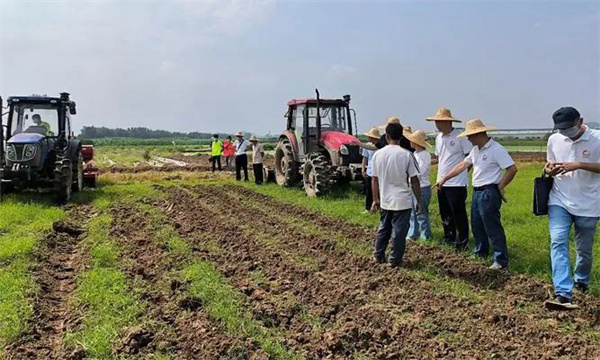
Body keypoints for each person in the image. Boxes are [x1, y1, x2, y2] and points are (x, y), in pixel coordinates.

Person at [435, 119, 518, 270]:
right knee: (477, 225)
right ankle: (480, 252)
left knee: (492, 226)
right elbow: (462, 165)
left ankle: (500, 260)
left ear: (479, 134)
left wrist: (501, 185)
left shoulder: (496, 149)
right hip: (477, 191)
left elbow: (512, 169)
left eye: (470, 136)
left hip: (489, 192)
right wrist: (445, 178)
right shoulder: (475, 150)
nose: (468, 139)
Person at [543, 107, 600, 310]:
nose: (564, 133)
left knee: (584, 249)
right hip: (559, 199)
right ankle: (563, 293)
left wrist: (580, 164)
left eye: (568, 128)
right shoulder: (554, 139)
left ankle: (581, 281)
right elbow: (548, 164)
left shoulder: (597, 139)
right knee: (558, 241)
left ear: (580, 121)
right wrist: (548, 170)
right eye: (560, 129)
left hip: (589, 203)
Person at [371, 122, 422, 268]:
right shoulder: (407, 155)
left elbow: (374, 179)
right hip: (402, 200)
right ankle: (394, 259)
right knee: (399, 232)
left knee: (384, 228)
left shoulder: (378, 155)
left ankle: (378, 255)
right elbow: (414, 180)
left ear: (386, 136)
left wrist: (376, 199)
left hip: (386, 199)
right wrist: (419, 200)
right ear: (401, 136)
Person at [427, 108, 473, 250]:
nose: (436, 124)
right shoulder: (438, 138)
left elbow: (469, 159)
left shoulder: (460, 137)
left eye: (439, 121)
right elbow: (441, 159)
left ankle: (462, 241)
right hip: (441, 181)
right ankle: (449, 237)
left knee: (458, 212)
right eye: (435, 121)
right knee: (445, 212)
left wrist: (462, 173)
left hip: (457, 182)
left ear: (447, 121)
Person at [405, 130, 433, 241]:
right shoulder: (415, 154)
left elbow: (419, 171)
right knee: (413, 212)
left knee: (421, 212)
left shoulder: (425, 155)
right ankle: (413, 233)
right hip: (413, 186)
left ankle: (425, 235)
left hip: (422, 187)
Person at [361, 128, 380, 213]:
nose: (371, 139)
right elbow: (365, 158)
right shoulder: (367, 146)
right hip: (370, 170)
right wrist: (363, 169)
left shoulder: (380, 146)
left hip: (378, 171)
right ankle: (367, 207)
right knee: (369, 190)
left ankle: (379, 207)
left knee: (379, 190)